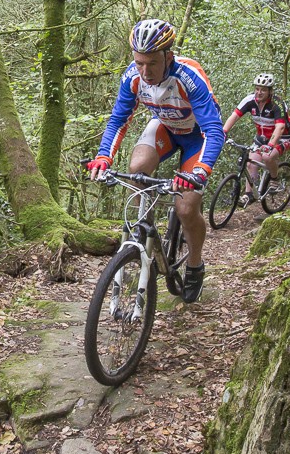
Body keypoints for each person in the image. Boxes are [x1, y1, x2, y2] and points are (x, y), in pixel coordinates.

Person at [86, 19, 225, 303]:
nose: (145, 71)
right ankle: (142, 235)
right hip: (166, 128)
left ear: (168, 56)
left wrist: (200, 170)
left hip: (197, 138)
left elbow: (214, 130)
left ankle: (195, 265)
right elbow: (118, 120)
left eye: (151, 63)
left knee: (186, 208)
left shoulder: (189, 77)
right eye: (139, 63)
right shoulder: (132, 77)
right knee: (136, 170)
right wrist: (103, 156)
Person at [222, 72, 290, 207]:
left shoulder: (277, 104)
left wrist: (271, 145)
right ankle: (249, 195)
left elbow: (279, 127)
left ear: (270, 91)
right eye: (257, 88)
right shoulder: (250, 100)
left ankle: (274, 180)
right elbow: (234, 116)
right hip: (261, 137)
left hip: (283, 137)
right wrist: (223, 132)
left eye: (263, 90)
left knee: (267, 157)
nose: (259, 92)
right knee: (250, 163)